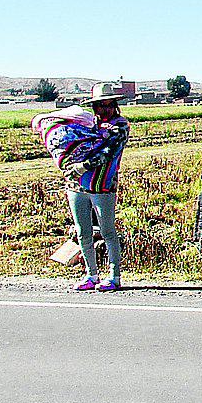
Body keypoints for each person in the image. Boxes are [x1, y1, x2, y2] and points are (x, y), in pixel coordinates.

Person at [32, 83, 130, 291]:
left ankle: (114, 276)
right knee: (82, 231)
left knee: (107, 231)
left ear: (115, 106)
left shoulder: (120, 126)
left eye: (110, 105)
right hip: (76, 184)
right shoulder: (85, 125)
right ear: (94, 107)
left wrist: (82, 165)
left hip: (103, 184)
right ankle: (91, 275)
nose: (106, 110)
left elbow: (108, 152)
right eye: (101, 106)